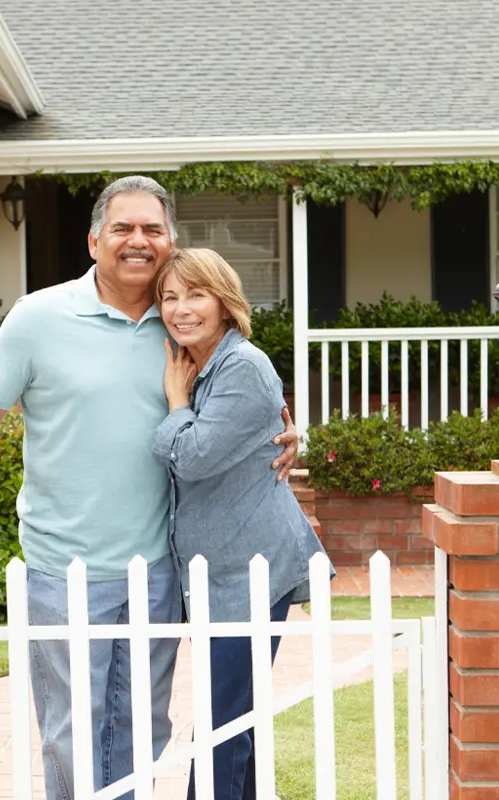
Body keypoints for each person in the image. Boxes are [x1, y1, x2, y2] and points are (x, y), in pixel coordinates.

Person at [0, 178, 299, 800]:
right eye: (123, 228)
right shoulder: (37, 317)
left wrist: (297, 437)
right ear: (94, 240)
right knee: (72, 736)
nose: (138, 241)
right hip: (64, 569)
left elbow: (249, 407)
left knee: (141, 730)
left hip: (157, 569)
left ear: (170, 242)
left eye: (152, 230)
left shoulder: (185, 328)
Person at [152, 247, 332, 800]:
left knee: (222, 723)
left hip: (249, 573)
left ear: (225, 304)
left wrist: (175, 403)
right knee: (234, 715)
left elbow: (194, 457)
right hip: (217, 571)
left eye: (196, 294)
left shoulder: (241, 366)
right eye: (169, 297)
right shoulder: (199, 362)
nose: (181, 309)